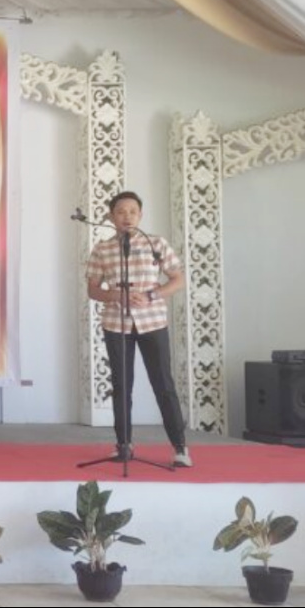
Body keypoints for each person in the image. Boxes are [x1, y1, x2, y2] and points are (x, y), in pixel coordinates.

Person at [86, 191, 192, 468]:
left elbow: (178, 279)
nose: (127, 217)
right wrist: (116, 296)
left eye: (133, 211)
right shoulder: (102, 249)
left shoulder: (156, 244)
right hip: (116, 324)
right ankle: (124, 445)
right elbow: (93, 289)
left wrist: (151, 295)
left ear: (140, 215)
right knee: (122, 386)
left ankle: (180, 447)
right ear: (111, 216)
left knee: (163, 384)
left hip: (153, 322)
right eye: (121, 211)